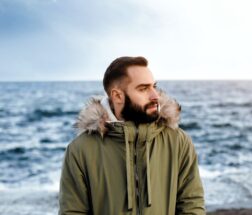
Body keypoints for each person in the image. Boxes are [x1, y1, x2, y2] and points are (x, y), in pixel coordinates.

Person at [58, 56, 205, 214]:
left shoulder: (178, 141)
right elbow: (72, 211)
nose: (155, 95)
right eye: (143, 89)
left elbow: (191, 204)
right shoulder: (80, 150)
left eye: (154, 86)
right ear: (117, 96)